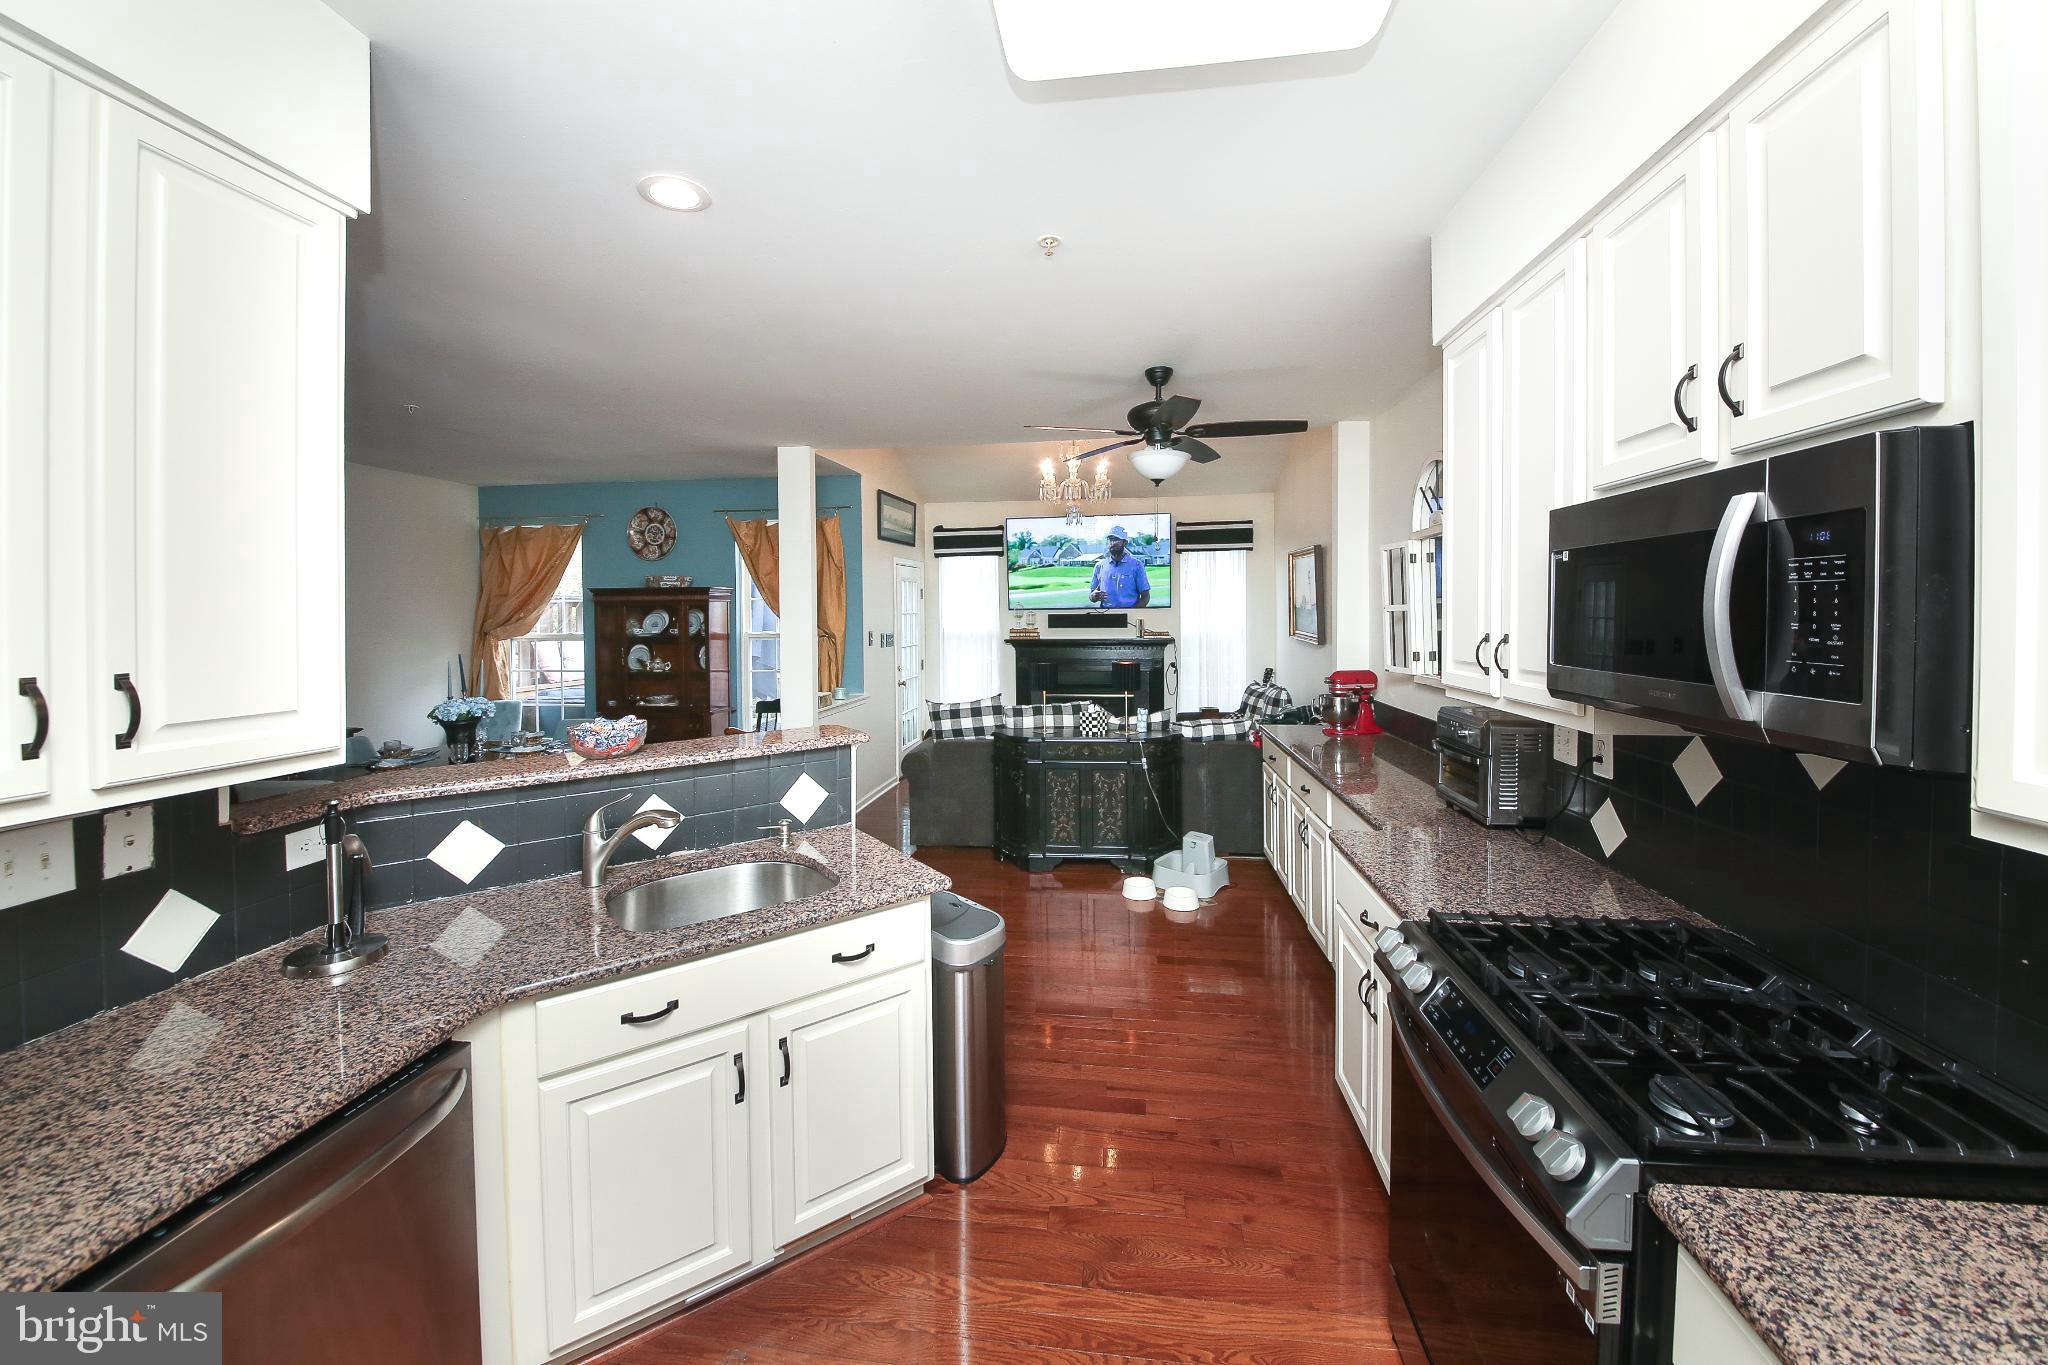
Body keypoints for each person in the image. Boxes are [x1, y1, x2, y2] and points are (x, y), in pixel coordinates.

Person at [1089, 526, 1152, 608]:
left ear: (1125, 542)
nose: (1112, 543)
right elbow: (1091, 594)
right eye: (1111, 540)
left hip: (1129, 617)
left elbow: (1145, 597)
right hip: (1105, 615)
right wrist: (1093, 596)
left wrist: (1132, 613)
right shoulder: (1100, 566)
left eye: (1116, 539)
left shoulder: (1137, 565)